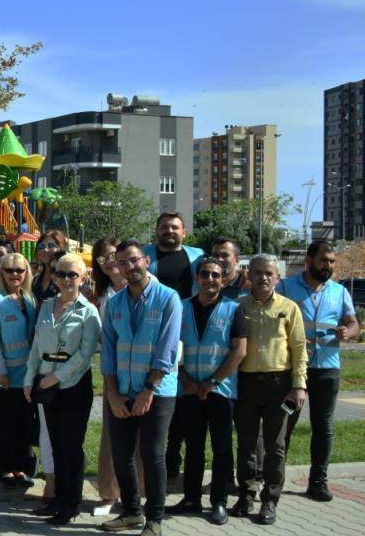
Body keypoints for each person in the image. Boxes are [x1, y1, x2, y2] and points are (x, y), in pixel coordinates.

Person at [100, 239, 183, 536]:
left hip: (157, 393)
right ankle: (131, 513)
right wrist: (111, 392)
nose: (129, 267)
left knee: (152, 456)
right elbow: (108, 350)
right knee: (121, 456)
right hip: (121, 391)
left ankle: (154, 520)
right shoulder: (115, 302)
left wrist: (149, 389)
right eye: (123, 263)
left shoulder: (167, 298)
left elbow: (167, 349)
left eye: (134, 260)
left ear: (146, 261)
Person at [167, 257, 247, 525]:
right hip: (188, 389)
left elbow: (239, 351)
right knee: (193, 447)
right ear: (196, 278)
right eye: (204, 274)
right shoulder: (181, 308)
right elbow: (172, 348)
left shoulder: (234, 310)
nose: (209, 279)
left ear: (223, 280)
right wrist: (187, 380)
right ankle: (191, 498)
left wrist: (212, 382)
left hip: (220, 390)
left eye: (215, 275)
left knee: (222, 448)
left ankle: (219, 501)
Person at [277, 239, 357, 502]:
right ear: (309, 261)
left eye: (332, 261)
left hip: (326, 369)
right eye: (324, 260)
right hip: (292, 371)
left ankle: (318, 482)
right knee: (284, 424)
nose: (329, 266)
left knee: (323, 426)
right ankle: (274, 481)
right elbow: (275, 320)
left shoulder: (339, 291)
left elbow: (353, 322)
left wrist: (349, 331)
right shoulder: (286, 287)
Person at [25, 252, 101, 525]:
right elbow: (37, 346)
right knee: (56, 445)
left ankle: (72, 502)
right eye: (61, 273)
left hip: (72, 387)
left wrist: (55, 378)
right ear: (54, 276)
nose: (66, 279)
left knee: (71, 446)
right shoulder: (46, 306)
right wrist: (29, 378)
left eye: (72, 274)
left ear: (83, 278)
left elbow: (84, 355)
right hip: (46, 385)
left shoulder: (88, 311)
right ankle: (58, 498)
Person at [233, 255, 307, 525]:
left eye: (269, 273)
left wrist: (299, 385)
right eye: (258, 273)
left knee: (276, 446)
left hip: (280, 384)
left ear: (277, 277)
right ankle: (246, 493)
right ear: (248, 275)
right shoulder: (238, 307)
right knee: (246, 443)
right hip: (246, 384)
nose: (263, 278)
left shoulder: (289, 308)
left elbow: (299, 349)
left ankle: (270, 499)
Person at [147, 212, 204, 481]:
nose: (169, 231)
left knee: (182, 395)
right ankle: (161, 457)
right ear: (157, 230)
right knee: (161, 391)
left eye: (175, 227)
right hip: (154, 331)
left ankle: (173, 455)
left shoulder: (197, 256)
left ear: (184, 231)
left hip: (188, 330)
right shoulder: (145, 255)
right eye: (164, 227)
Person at [0, 252, 39, 491]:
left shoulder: (29, 299)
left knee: (24, 424)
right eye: (9, 270)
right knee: (5, 424)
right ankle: (5, 468)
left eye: (20, 270)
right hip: (4, 376)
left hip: (26, 374)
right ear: (1, 274)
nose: (15, 274)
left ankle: (22, 468)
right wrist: (0, 370)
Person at [91, 236, 130, 516]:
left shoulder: (140, 288)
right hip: (113, 372)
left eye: (113, 255)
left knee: (140, 437)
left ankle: (137, 494)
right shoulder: (104, 294)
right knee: (111, 434)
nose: (109, 262)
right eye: (102, 258)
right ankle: (108, 494)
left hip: (140, 371)